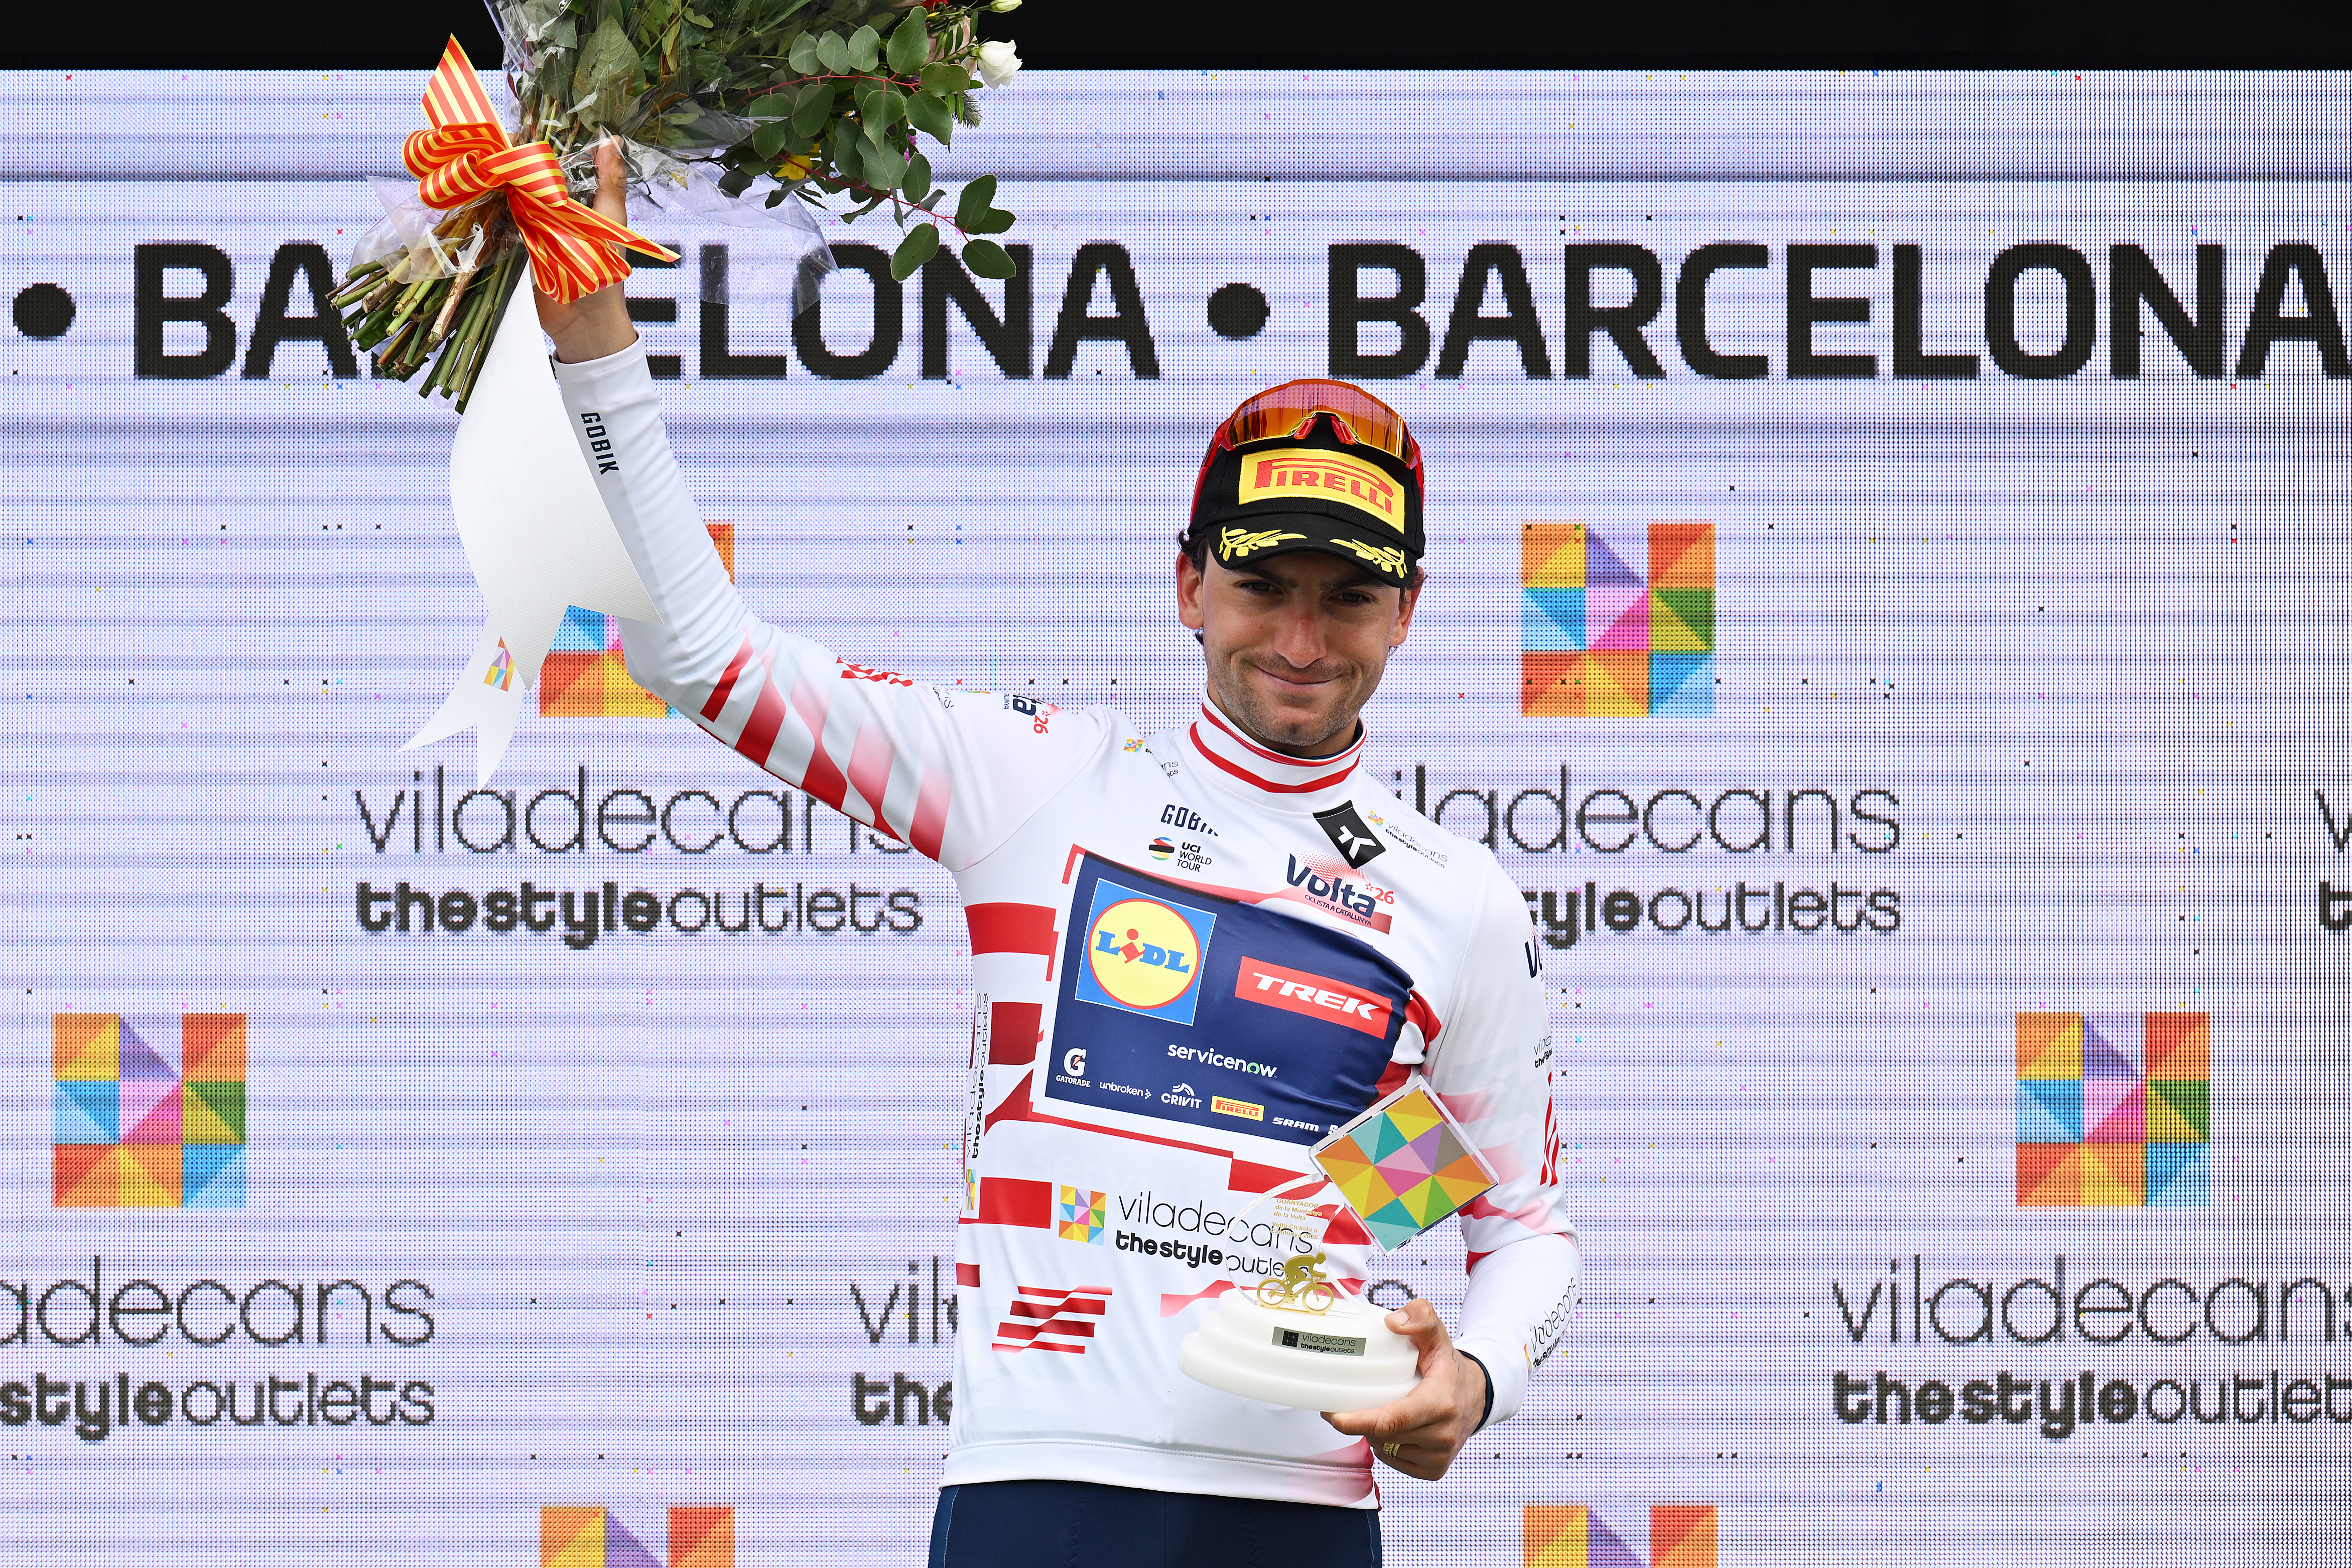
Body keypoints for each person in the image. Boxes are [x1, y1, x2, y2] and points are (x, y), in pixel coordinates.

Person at [535, 146, 1579, 1568]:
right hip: (1039, 1492)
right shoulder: (1040, 782)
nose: (1298, 638)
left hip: (1306, 1513)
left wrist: (1473, 1375)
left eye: (1347, 599)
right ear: (1187, 583)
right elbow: (704, 655)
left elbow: (1524, 1229)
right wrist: (595, 349)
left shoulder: (1449, 900)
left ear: (1408, 613)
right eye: (1264, 584)